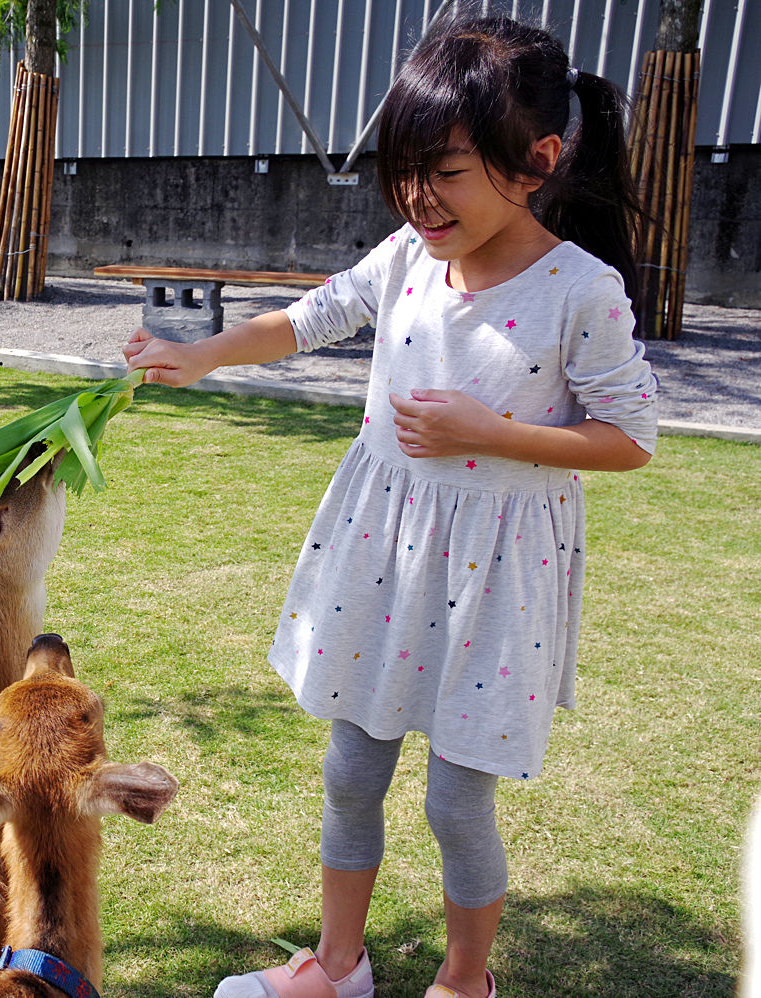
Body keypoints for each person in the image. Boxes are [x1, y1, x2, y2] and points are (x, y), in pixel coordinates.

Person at [123, 14, 659, 998]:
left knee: (457, 804)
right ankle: (336, 964)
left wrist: (487, 431)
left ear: (535, 161)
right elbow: (315, 313)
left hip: (497, 576)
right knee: (350, 771)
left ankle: (465, 980)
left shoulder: (582, 289)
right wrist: (197, 352)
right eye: (404, 165)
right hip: (385, 557)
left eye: (446, 169)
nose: (418, 194)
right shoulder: (411, 253)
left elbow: (631, 437)